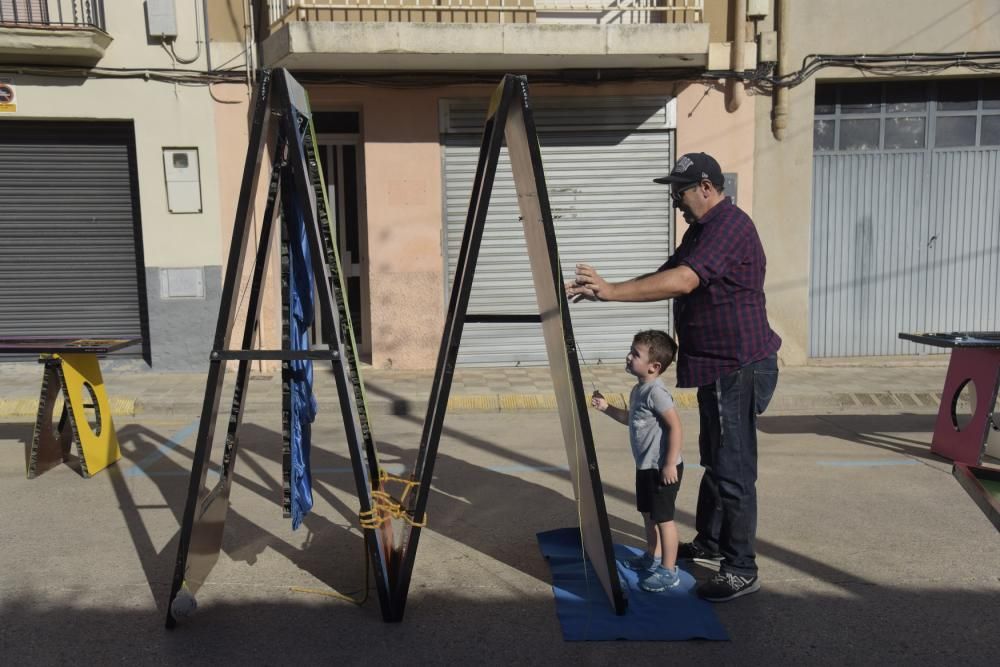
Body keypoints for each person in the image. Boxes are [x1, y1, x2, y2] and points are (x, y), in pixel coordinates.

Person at [567, 152, 781, 602]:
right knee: (714, 459)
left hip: (738, 365)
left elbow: (683, 281)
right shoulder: (702, 230)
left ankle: (741, 566)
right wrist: (608, 293)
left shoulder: (730, 226)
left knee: (732, 469)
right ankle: (709, 540)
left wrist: (612, 291)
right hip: (716, 366)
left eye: (679, 191)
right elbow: (667, 274)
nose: (675, 201)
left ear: (706, 186)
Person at [592, 330, 684, 593]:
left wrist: (668, 463)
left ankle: (669, 570)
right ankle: (652, 556)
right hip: (645, 465)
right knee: (648, 514)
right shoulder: (638, 389)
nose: (629, 356)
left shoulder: (656, 392)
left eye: (635, 354)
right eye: (631, 350)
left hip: (663, 467)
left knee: (664, 518)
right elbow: (630, 419)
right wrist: (606, 408)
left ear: (654, 367)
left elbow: (675, 427)